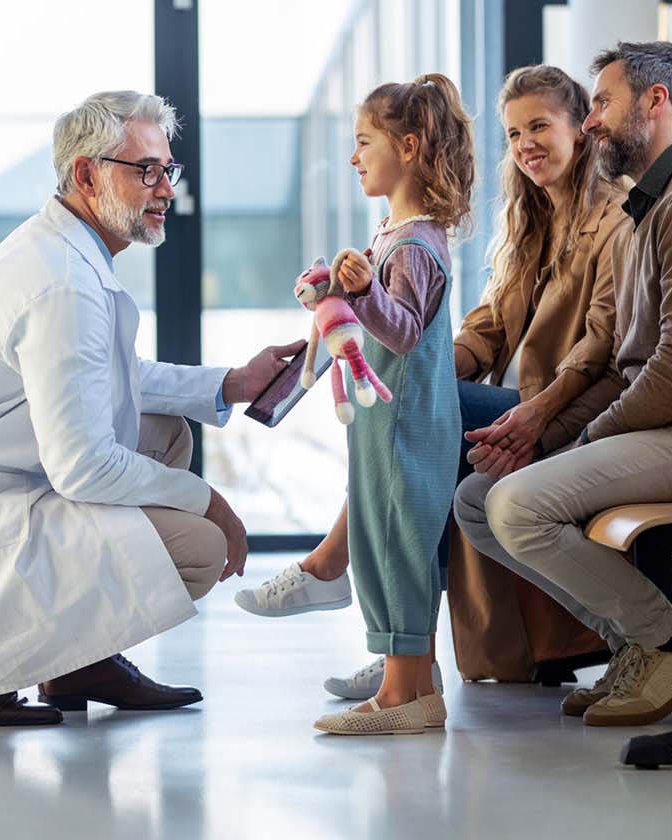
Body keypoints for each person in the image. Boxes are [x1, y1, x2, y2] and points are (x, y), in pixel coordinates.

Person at [0, 90, 302, 727]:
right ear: (86, 174)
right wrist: (208, 500)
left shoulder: (65, 251)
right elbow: (80, 467)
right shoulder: (60, 281)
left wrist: (234, 382)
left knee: (162, 434)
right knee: (203, 547)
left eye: (168, 171)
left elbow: (109, 377)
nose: (164, 189)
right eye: (145, 171)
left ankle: (81, 663)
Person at [234, 64, 634, 693]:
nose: (526, 143)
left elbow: (599, 347)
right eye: (514, 132)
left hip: (575, 405)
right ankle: (402, 648)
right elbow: (486, 329)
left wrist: (532, 413)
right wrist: (417, 367)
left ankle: (366, 605)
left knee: (416, 430)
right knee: (413, 414)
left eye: (540, 127)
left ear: (579, 132)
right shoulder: (530, 219)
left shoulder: (616, 219)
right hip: (524, 399)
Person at [455, 41, 672, 727]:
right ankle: (630, 645)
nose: (594, 119)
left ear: (656, 102)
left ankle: (667, 643)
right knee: (476, 502)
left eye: (602, 101)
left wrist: (581, 441)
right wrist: (548, 431)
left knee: (516, 506)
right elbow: (613, 347)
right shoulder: (649, 206)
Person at [306, 73, 474, 736]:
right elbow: (376, 317)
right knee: (382, 542)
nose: (354, 157)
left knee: (398, 545)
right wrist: (336, 293)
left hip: (406, 429)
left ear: (408, 147)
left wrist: (366, 291)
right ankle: (409, 680)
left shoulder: (413, 245)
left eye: (364, 142)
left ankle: (405, 698)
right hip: (389, 427)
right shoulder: (396, 236)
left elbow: (400, 328)